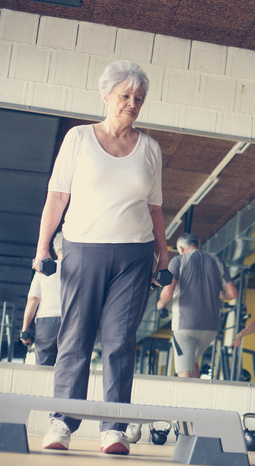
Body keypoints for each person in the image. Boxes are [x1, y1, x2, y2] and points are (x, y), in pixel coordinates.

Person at [32, 59, 169, 456]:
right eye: (124, 95)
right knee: (75, 337)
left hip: (135, 255)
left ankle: (114, 427)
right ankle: (62, 421)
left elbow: (155, 208)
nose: (131, 103)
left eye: (138, 98)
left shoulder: (150, 148)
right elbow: (57, 196)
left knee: (120, 342)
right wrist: (43, 248)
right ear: (106, 96)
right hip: (83, 249)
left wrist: (162, 258)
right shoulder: (78, 138)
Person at [156, 233, 238, 378]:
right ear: (199, 246)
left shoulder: (178, 260)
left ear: (181, 248)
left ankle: (183, 401)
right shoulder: (216, 260)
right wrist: (213, 294)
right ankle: (196, 400)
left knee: (184, 372)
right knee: (193, 363)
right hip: (211, 327)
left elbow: (168, 291)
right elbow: (232, 293)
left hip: (185, 325)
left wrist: (161, 304)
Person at [20, 231, 64, 365]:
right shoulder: (79, 271)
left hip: (46, 323)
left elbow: (33, 301)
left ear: (55, 249)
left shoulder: (44, 271)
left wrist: (25, 330)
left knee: (44, 368)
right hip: (70, 321)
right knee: (68, 366)